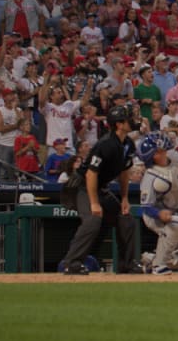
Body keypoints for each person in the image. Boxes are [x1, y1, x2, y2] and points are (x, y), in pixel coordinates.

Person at [59, 104, 139, 275]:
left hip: (100, 187)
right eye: (128, 119)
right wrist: (95, 203)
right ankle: (71, 263)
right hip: (80, 187)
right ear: (119, 124)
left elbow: (125, 172)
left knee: (126, 219)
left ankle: (127, 264)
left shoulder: (128, 144)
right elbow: (90, 174)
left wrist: (124, 198)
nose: (132, 121)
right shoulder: (106, 144)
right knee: (93, 220)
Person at [137, 131, 178, 276]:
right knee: (177, 224)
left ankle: (151, 260)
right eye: (158, 152)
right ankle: (158, 265)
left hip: (177, 212)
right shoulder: (150, 176)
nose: (163, 154)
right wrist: (159, 213)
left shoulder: (173, 159)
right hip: (155, 216)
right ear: (152, 156)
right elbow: (146, 206)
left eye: (162, 151)